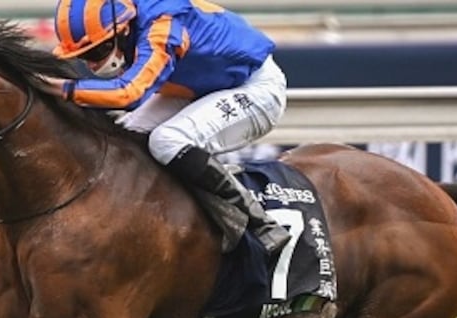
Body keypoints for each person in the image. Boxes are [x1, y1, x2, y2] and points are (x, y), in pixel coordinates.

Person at [42, 0, 291, 256]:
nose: (92, 66)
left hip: (253, 88)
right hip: (200, 85)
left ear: (124, 29)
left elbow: (129, 93)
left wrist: (60, 89)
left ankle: (257, 223)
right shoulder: (130, 18)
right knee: (126, 137)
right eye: (83, 57)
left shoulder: (163, 25)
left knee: (167, 141)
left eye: (95, 53)